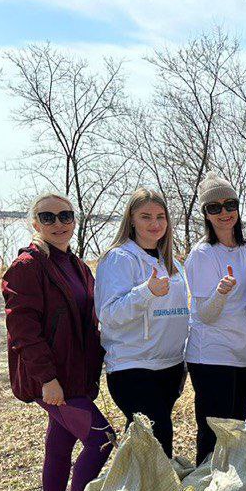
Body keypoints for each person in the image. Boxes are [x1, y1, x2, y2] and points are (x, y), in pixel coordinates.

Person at [2, 193, 115, 491]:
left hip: (75, 377)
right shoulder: (26, 267)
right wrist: (47, 379)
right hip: (53, 380)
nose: (58, 223)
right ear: (34, 223)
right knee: (101, 438)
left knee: (60, 445)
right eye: (47, 217)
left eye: (65, 215)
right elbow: (23, 330)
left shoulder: (78, 266)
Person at [95, 187, 189, 457]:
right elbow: (109, 315)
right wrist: (146, 292)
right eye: (146, 216)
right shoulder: (118, 259)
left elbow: (180, 314)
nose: (155, 223)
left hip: (168, 368)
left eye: (161, 216)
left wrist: (183, 361)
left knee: (145, 448)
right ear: (131, 220)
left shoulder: (172, 264)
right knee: (158, 442)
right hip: (133, 368)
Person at [184, 173, 246, 464]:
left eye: (230, 205)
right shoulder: (202, 255)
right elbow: (205, 314)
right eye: (214, 207)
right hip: (212, 357)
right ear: (205, 213)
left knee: (235, 433)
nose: (224, 212)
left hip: (243, 356)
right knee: (213, 438)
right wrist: (220, 293)